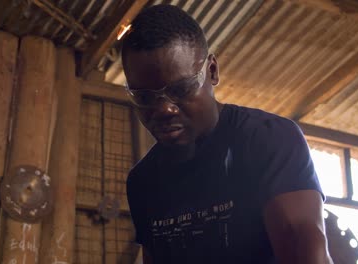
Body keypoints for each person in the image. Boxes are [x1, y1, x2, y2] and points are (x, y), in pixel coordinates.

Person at [122, 4, 333, 264]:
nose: (164, 108)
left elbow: (306, 253)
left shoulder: (266, 140)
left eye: (181, 89)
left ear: (212, 71)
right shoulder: (143, 182)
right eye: (144, 97)